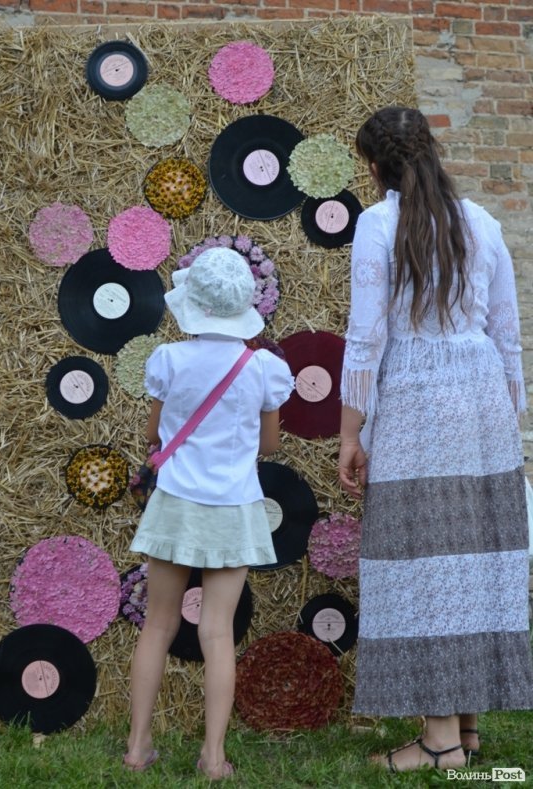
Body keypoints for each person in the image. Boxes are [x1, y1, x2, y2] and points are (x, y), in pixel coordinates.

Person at [338, 106, 533, 772]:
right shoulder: (481, 221)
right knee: (474, 553)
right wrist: (510, 420)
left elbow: (367, 336)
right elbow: (508, 333)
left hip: (420, 396)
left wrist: (350, 430)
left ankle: (440, 739)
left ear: (374, 165)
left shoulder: (377, 223)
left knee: (423, 557)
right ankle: (470, 726)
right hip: (480, 397)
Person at [123, 248, 294, 779]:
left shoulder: (169, 360)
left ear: (192, 305)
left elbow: (154, 436)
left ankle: (137, 749)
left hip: (175, 502)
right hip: (232, 505)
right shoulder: (263, 368)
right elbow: (268, 446)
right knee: (217, 632)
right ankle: (213, 757)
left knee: (157, 625)